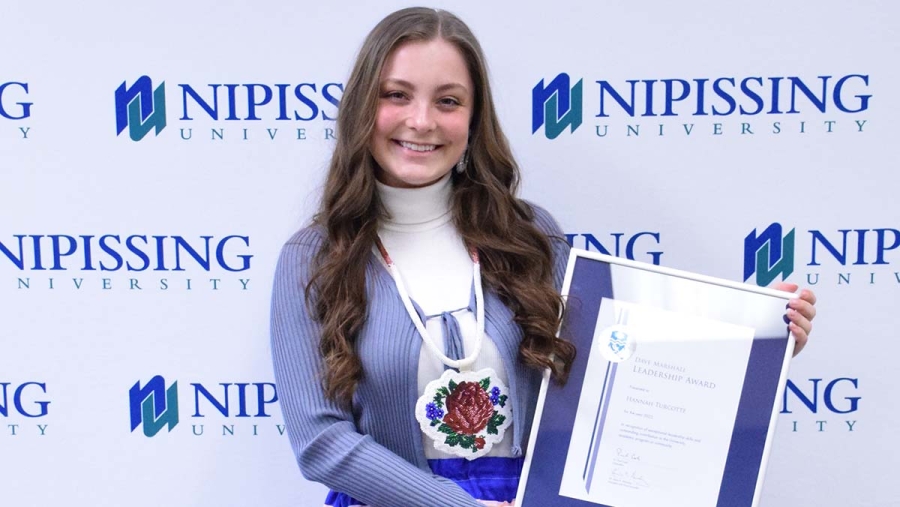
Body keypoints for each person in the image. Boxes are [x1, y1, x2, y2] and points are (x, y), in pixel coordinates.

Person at [269, 7, 817, 507]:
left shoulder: (529, 235)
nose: (422, 120)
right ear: (362, 106)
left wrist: (757, 344)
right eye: (396, 95)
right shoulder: (312, 258)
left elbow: (611, 376)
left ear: (474, 119)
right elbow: (321, 443)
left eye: (448, 101)